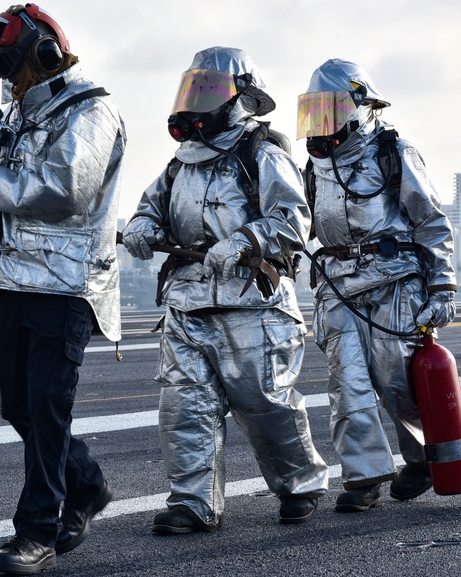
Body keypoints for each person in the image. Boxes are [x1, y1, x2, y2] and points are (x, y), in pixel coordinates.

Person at [121, 47, 329, 533]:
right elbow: (152, 207)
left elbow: (295, 219)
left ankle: (300, 484)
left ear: (239, 97)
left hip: (252, 304)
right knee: (184, 405)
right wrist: (141, 227)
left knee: (264, 403)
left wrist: (244, 240)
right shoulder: (179, 165)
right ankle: (192, 503)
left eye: (208, 91)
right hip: (188, 303)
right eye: (192, 89)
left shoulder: (263, 153)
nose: (196, 102)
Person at [0, 2, 125, 575]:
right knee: (18, 406)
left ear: (47, 53)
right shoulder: (18, 115)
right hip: (14, 279)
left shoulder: (90, 111)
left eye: (11, 61)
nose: (5, 75)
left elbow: (66, 189)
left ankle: (36, 533)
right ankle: (87, 485)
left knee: (47, 406)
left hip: (65, 284)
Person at [297, 58, 457, 511]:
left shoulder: (392, 151)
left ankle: (424, 457)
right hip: (338, 286)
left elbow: (430, 221)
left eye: (331, 111)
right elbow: (303, 221)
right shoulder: (315, 166)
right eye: (315, 112)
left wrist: (442, 287)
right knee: (346, 384)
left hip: (394, 282)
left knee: (396, 381)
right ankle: (363, 480)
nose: (321, 125)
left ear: (359, 105)